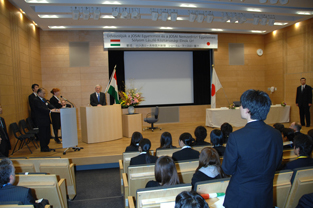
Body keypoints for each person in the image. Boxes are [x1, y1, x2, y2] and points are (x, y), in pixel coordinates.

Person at [222, 89, 283, 208]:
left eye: (241, 105)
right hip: (265, 196)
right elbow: (277, 163)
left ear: (247, 110)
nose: (240, 108)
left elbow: (227, 169)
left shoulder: (236, 137)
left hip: (240, 198)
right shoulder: (276, 134)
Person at [33, 88, 57, 152]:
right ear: (39, 93)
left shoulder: (43, 99)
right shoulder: (36, 100)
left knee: (47, 134)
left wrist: (55, 108)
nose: (44, 94)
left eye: (45, 93)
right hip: (41, 120)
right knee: (43, 134)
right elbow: (41, 108)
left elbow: (49, 105)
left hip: (46, 120)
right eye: (43, 93)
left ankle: (46, 146)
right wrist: (50, 111)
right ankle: (43, 147)